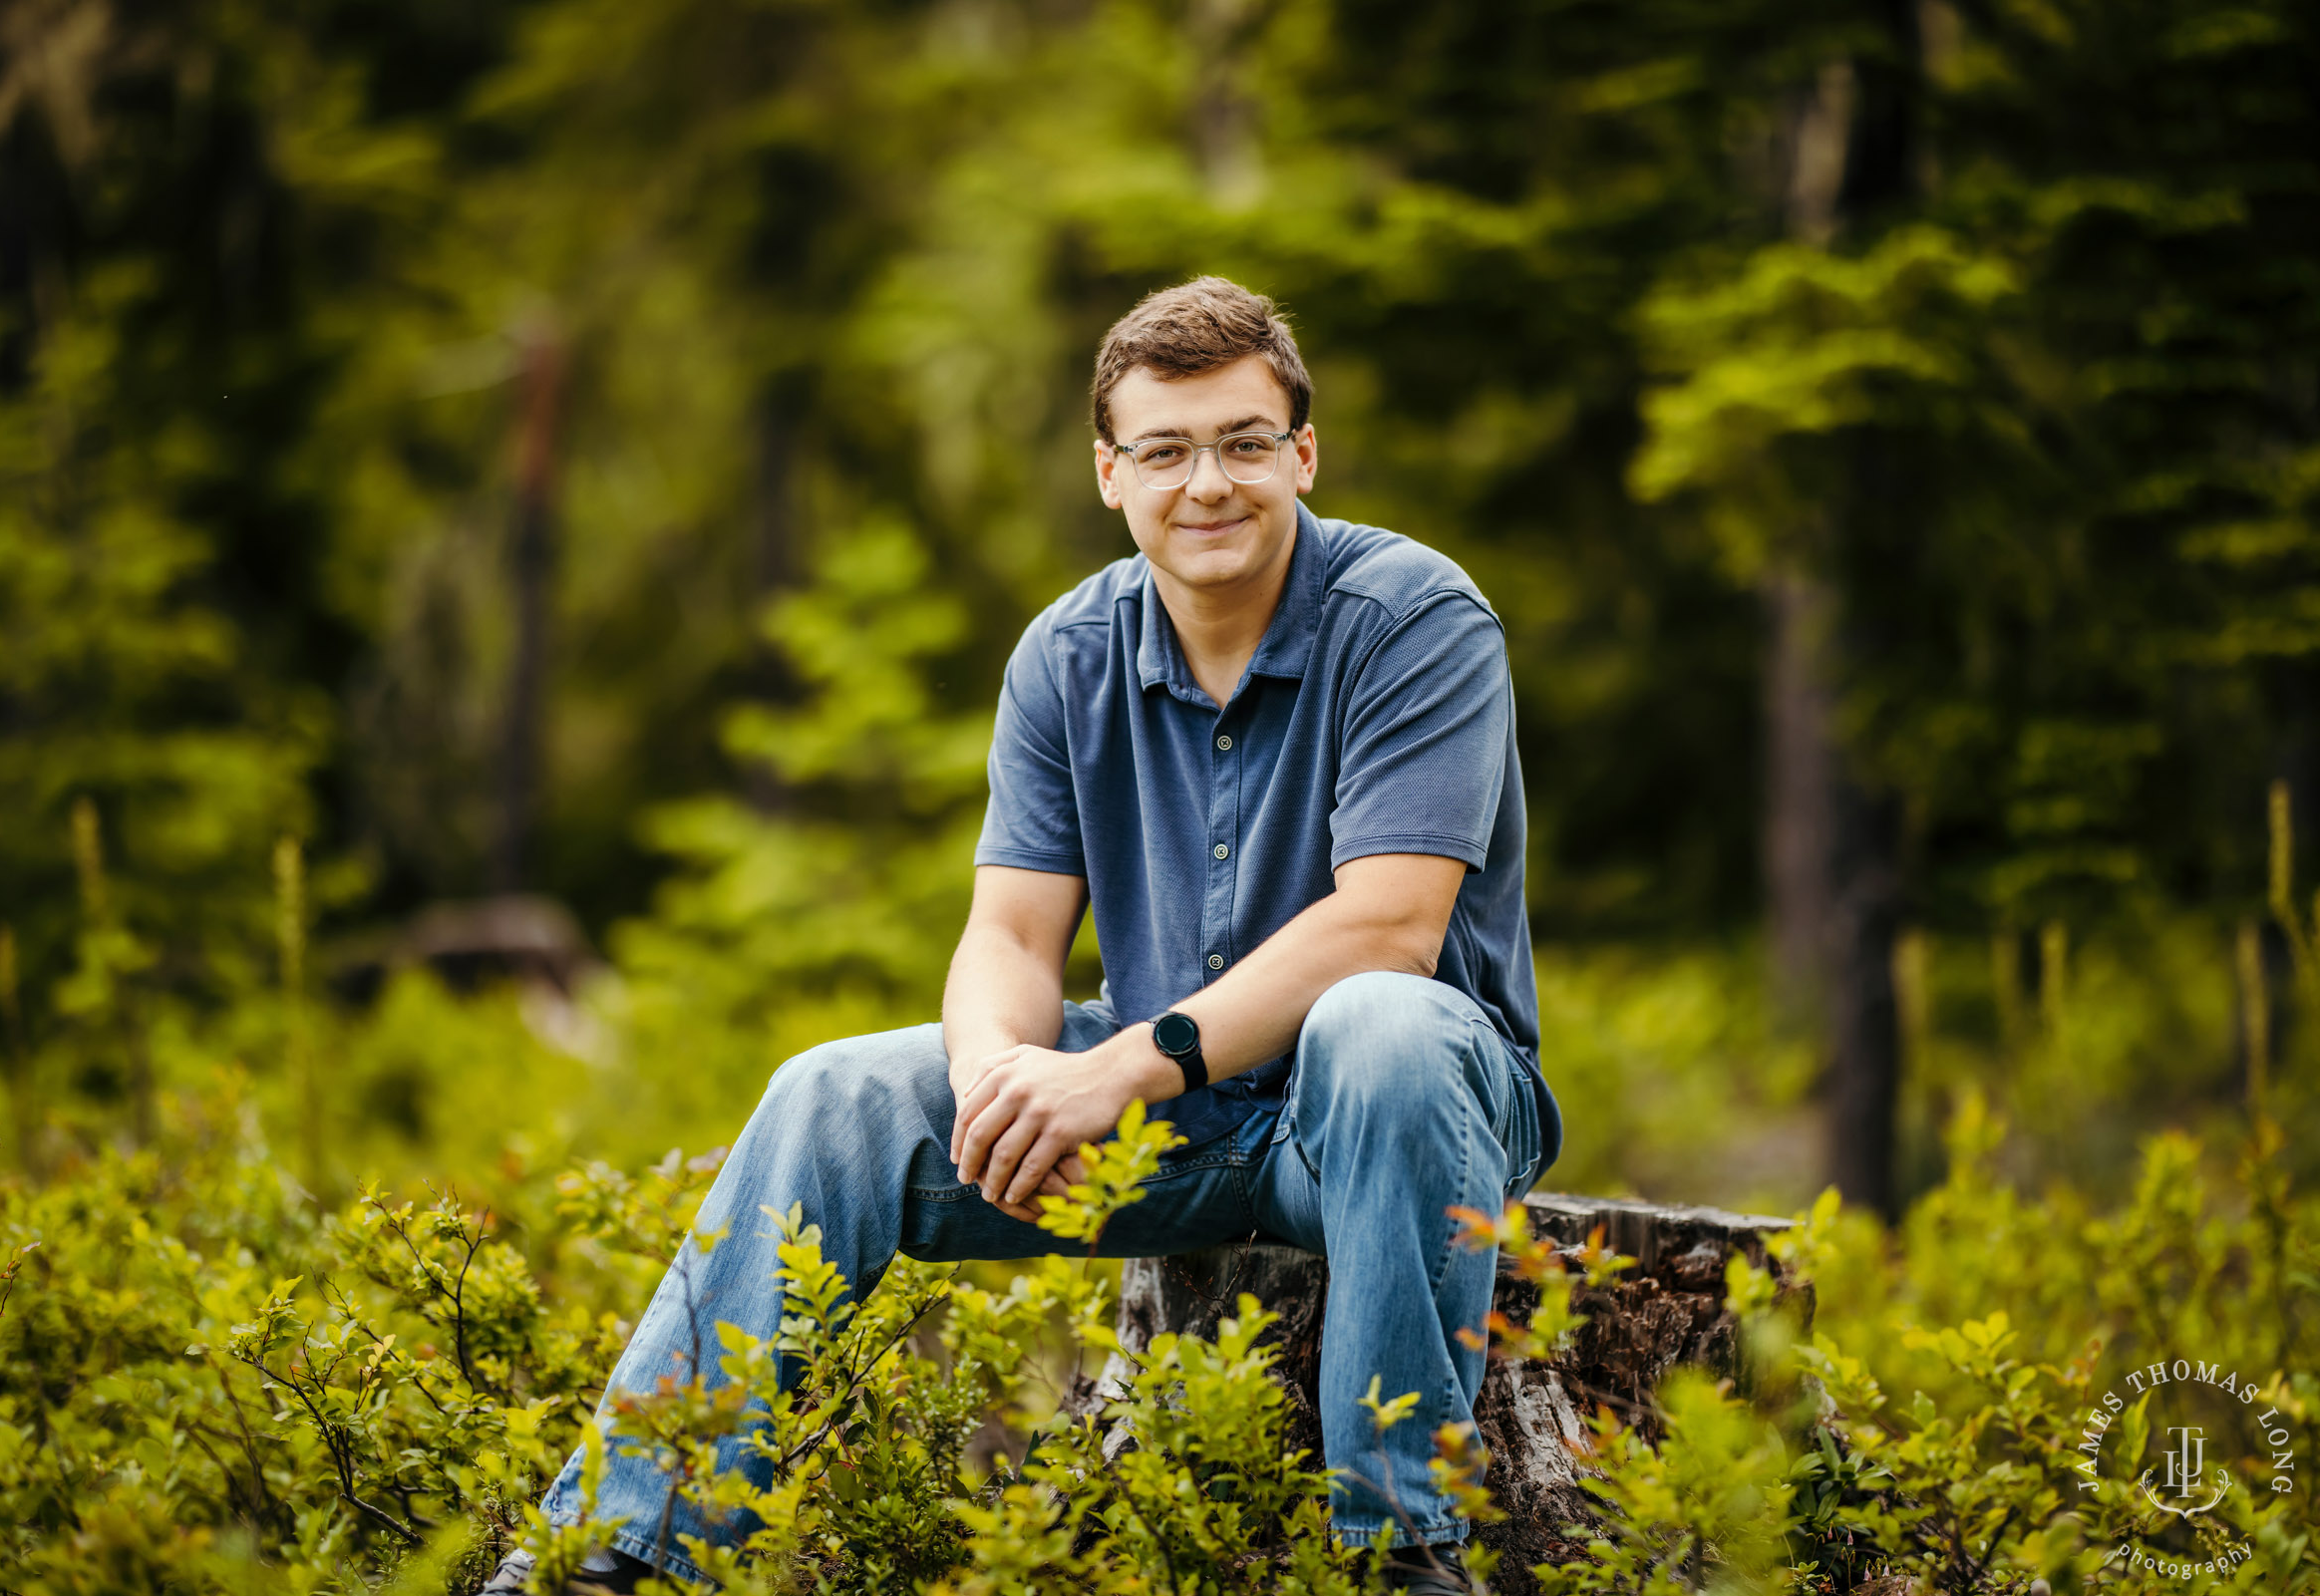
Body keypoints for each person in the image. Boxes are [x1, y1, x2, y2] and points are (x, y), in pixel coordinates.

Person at [483, 276, 1561, 1596]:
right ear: (1111, 473)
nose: (1208, 481)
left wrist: (1114, 1068)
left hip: (1402, 1101)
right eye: (1165, 449)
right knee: (829, 1094)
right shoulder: (1067, 653)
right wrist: (1001, 1070)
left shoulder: (1414, 617)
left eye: (1243, 441)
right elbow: (1007, 930)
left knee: (1378, 1028)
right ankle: (610, 1554)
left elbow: (1391, 929)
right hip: (1181, 1114)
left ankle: (1400, 1552)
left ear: (1303, 453)